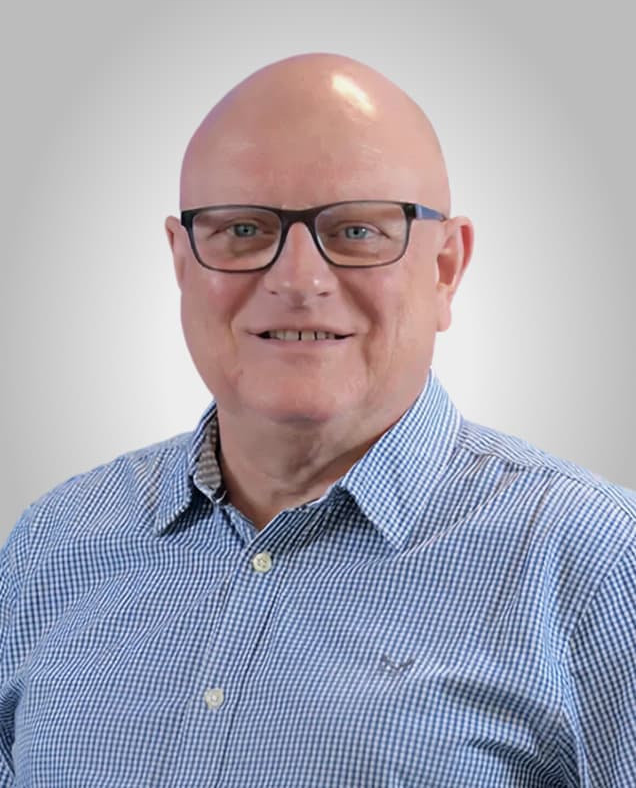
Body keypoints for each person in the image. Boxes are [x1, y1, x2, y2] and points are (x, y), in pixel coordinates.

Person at [0, 52, 634, 787]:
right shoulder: (50, 549)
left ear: (445, 269)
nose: (298, 280)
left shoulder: (592, 564)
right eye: (243, 229)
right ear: (182, 262)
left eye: (357, 231)